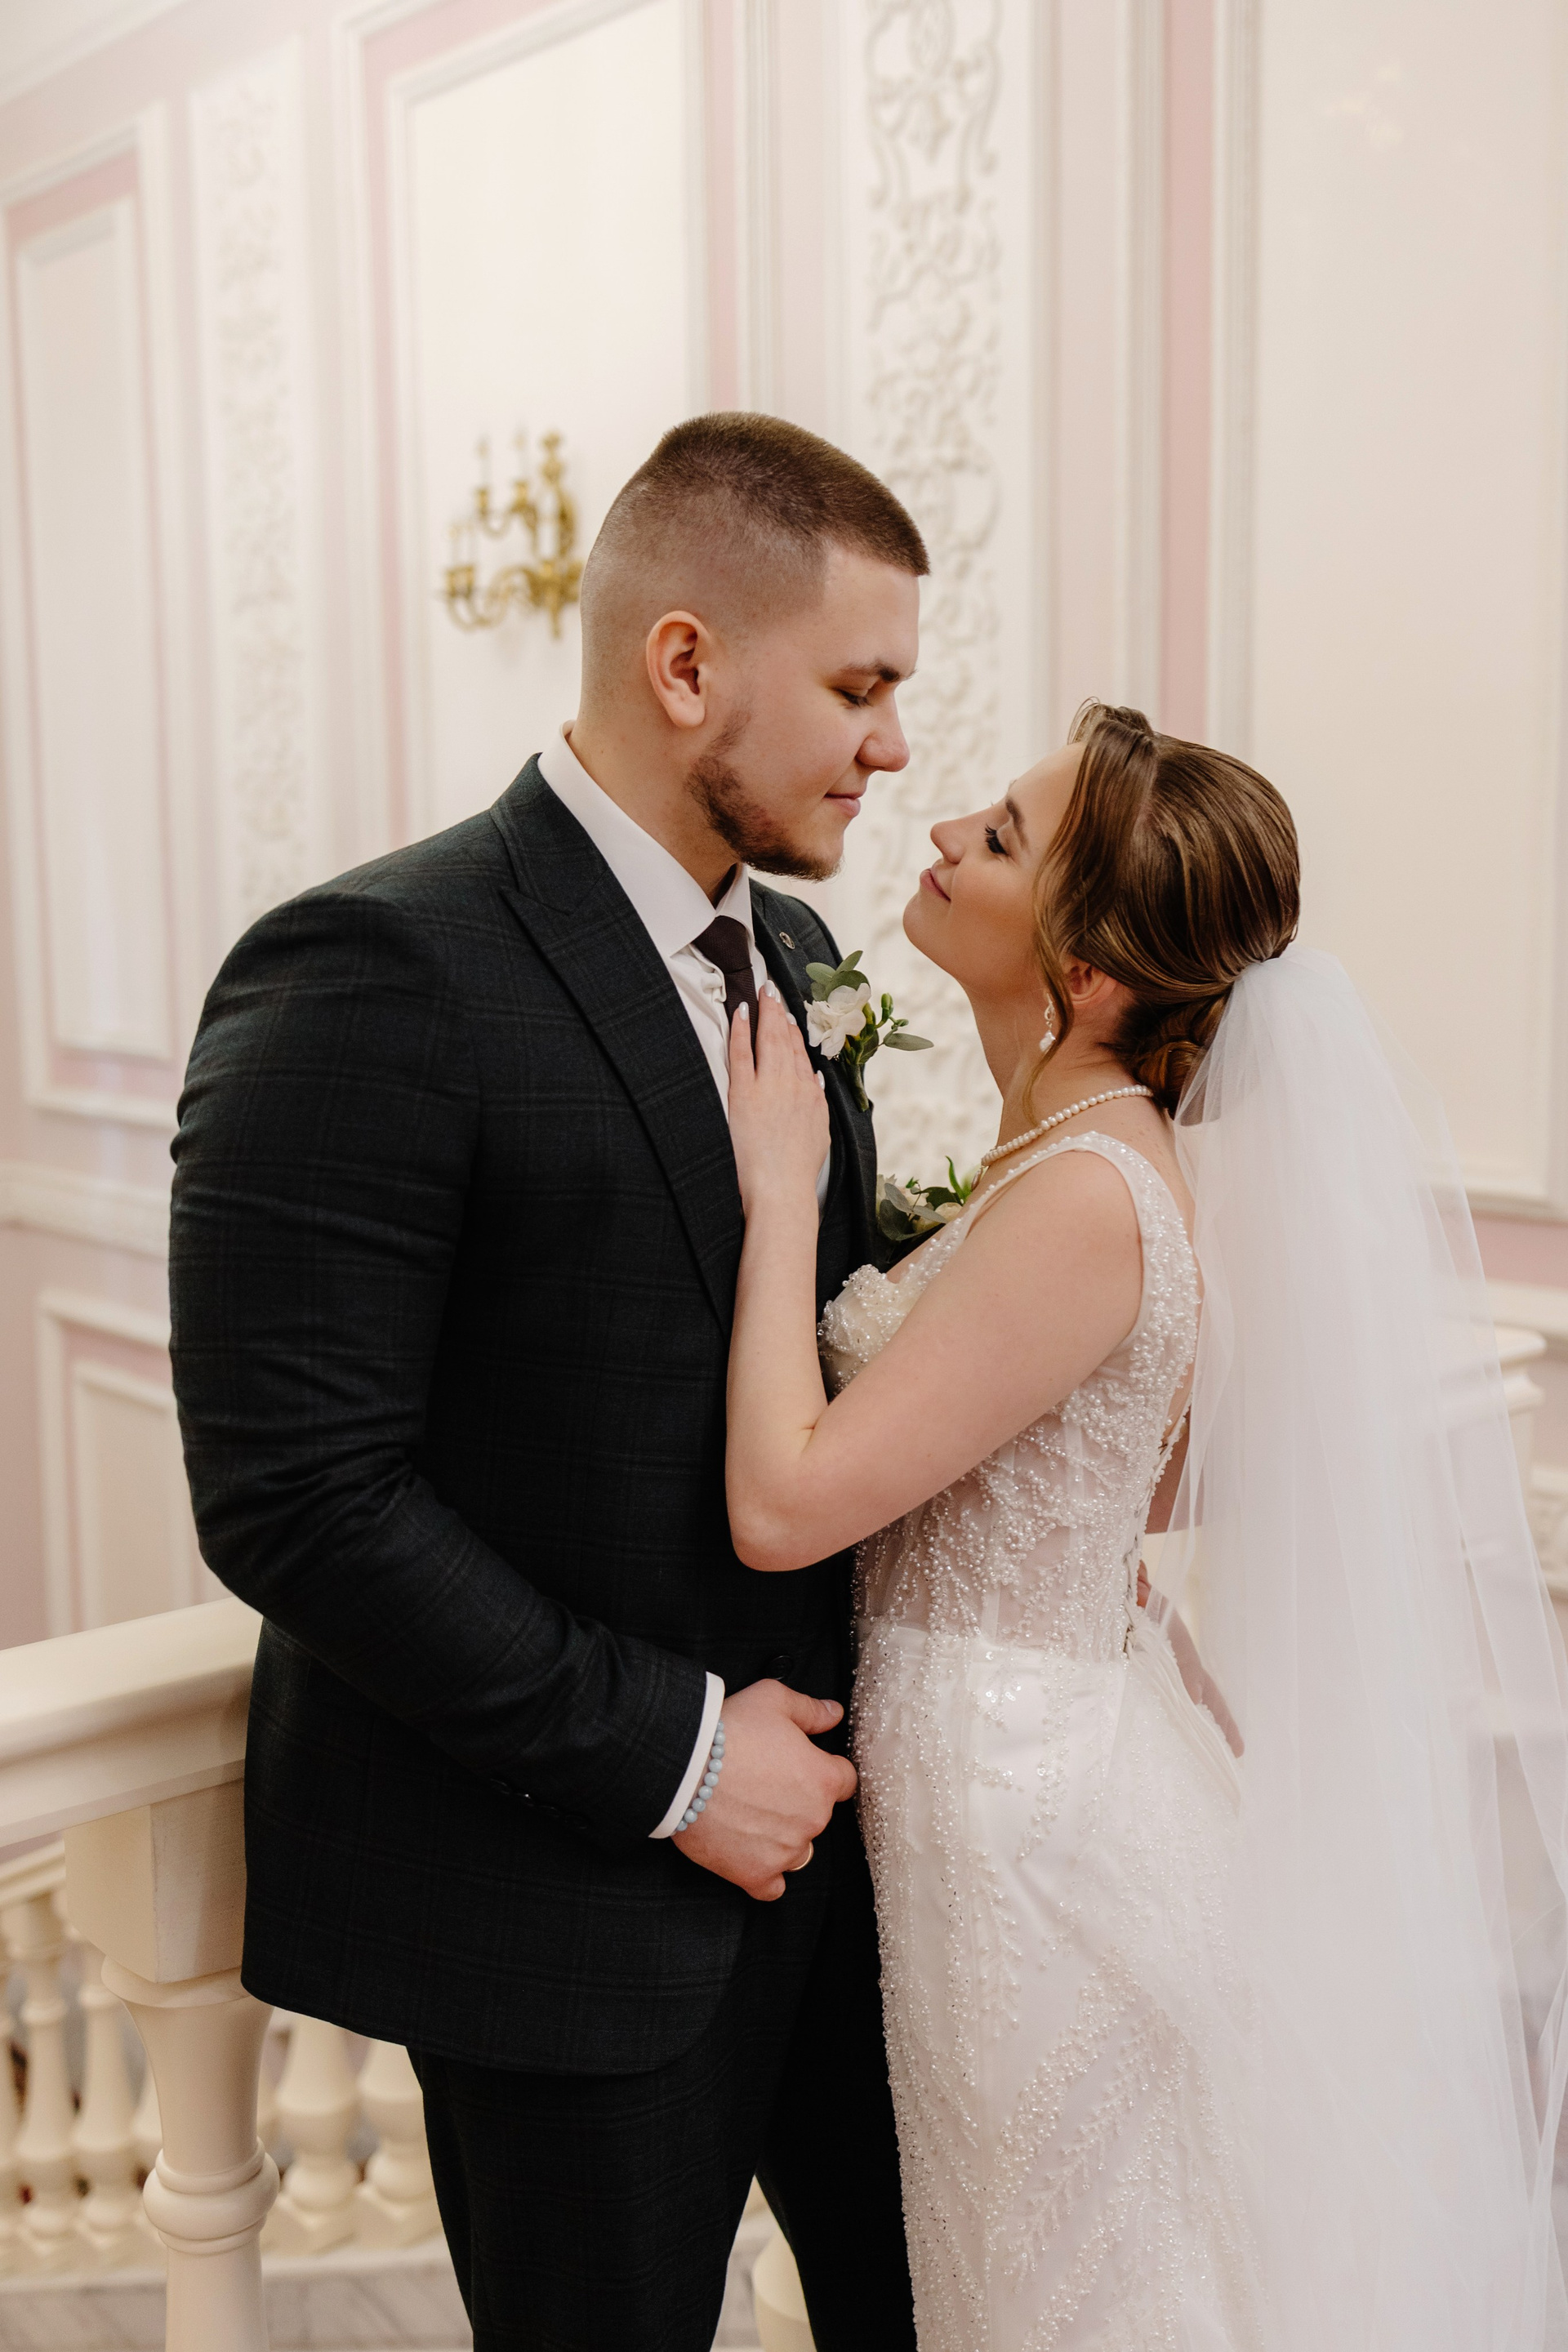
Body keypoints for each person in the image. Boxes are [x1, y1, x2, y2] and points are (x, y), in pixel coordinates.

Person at [167, 413, 927, 2352]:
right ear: (685, 665)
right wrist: (682, 1763)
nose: (894, 747)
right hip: (565, 1903)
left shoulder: (798, 952)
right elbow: (298, 1496)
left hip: (860, 1881)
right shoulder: (373, 969)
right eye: (858, 689)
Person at [722, 702, 1568, 2350]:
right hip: (1021, 1769)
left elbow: (784, 1502)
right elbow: (1107, 1487)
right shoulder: (1074, 1158)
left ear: (1090, 972)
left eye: (1003, 837)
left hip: (1022, 1824)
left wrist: (772, 1195)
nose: (945, 831)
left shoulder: (1086, 1197)